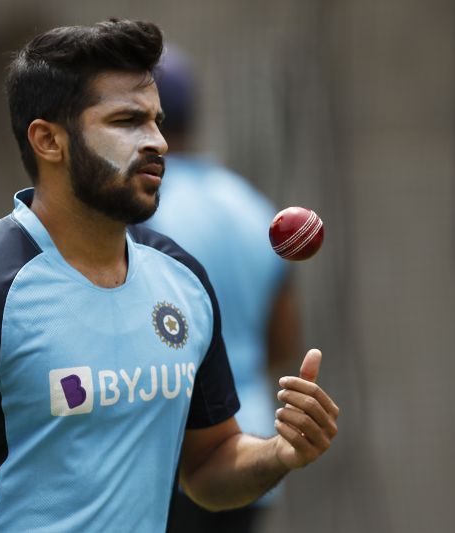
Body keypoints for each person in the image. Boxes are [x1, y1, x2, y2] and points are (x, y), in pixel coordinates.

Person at [0, 19, 338, 533]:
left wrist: (280, 452)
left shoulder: (183, 280)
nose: (157, 143)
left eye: (156, 121)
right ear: (49, 141)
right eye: (127, 121)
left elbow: (208, 467)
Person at [148, 48, 303, 532]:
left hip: (167, 451)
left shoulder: (137, 210)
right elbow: (281, 342)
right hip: (251, 444)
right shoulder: (254, 208)